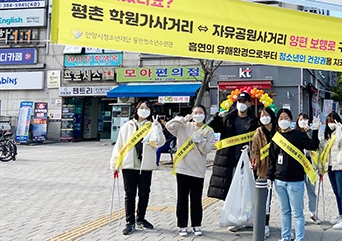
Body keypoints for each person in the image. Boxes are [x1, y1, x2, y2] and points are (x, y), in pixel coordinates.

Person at [110, 101, 166, 235]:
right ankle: (130, 222)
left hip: (145, 166)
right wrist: (115, 163)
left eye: (147, 108)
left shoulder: (152, 126)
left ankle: (140, 218)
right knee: (129, 194)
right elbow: (119, 145)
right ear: (136, 110)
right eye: (141, 107)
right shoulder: (127, 126)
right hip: (129, 165)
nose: (144, 110)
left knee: (144, 194)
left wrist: (157, 128)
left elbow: (160, 142)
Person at [207, 91, 259, 230]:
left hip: (247, 161)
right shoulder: (228, 118)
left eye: (244, 102)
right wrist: (217, 116)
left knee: (247, 190)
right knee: (232, 191)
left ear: (249, 103)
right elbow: (212, 127)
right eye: (239, 102)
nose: (241, 104)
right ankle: (234, 219)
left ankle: (248, 219)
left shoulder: (254, 121)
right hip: (230, 160)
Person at [268, 108, 320, 241]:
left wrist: (315, 130)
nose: (283, 121)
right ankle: (285, 237)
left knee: (297, 213)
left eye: (286, 118)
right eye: (281, 118)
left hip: (295, 181)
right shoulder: (276, 138)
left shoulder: (298, 135)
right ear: (277, 121)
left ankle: (299, 238)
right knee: (284, 212)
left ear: (291, 120)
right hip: (279, 181)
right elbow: (272, 159)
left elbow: (312, 146)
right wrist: (270, 177)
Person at [165, 105, 216, 237]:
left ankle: (196, 225)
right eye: (195, 112)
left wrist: (201, 142)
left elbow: (208, 150)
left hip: (198, 169)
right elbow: (169, 126)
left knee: (196, 199)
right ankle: (182, 225)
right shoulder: (184, 126)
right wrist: (183, 119)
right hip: (182, 168)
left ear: (205, 115)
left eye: (200, 112)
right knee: (182, 198)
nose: (197, 115)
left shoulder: (208, 130)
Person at [321, 111, 342, 230]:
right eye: (328, 122)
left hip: (340, 166)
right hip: (330, 166)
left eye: (332, 121)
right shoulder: (328, 135)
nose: (330, 124)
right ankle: (341, 215)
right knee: (336, 192)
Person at [250, 107, 277, 238]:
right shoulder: (258, 132)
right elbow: (254, 150)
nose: (264, 117)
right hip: (264, 170)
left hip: (280, 169)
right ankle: (264, 225)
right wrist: (255, 164)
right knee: (265, 200)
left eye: (266, 115)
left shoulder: (278, 130)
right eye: (262, 115)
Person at [294, 113, 322, 225]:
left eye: (305, 119)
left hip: (310, 166)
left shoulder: (311, 132)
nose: (303, 121)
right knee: (299, 192)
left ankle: (313, 212)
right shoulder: (295, 133)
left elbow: (316, 145)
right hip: (298, 166)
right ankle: (300, 215)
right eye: (301, 119)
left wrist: (315, 130)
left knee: (311, 191)